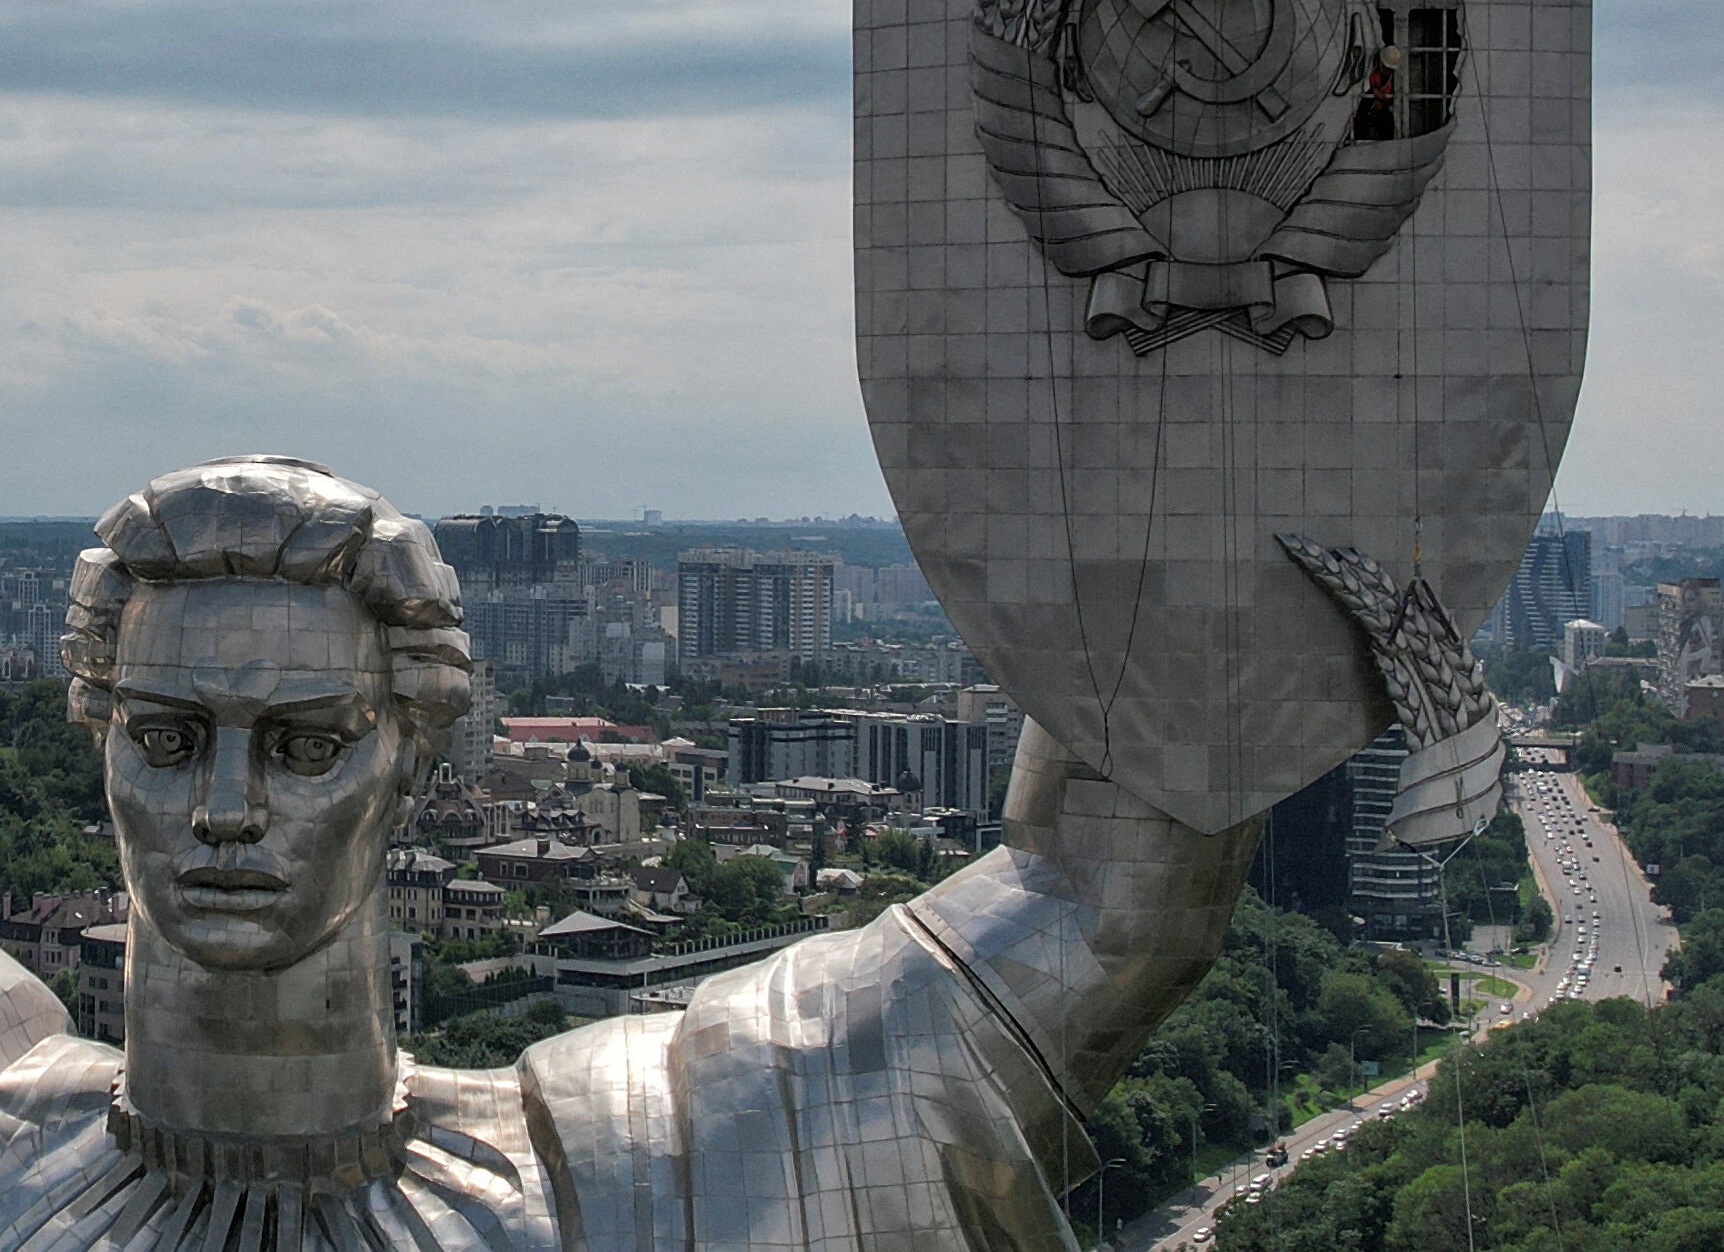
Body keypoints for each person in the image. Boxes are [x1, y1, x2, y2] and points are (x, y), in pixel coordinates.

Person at [0, 456, 1261, 1249]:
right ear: (98, 743)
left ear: (414, 764)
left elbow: (1100, 907)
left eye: (305, 743)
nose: (226, 806)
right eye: (165, 738)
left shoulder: (646, 1157)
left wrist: (1266, 559)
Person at [1353, 45, 1402, 140]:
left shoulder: (1395, 80)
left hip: (1380, 109)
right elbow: (1361, 85)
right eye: (1385, 68)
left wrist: (1385, 100)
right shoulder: (1369, 67)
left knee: (1387, 121)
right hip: (1364, 106)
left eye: (1390, 70)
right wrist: (1373, 91)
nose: (1387, 72)